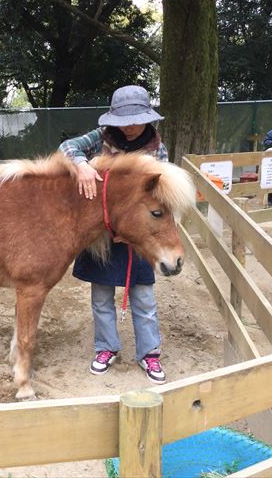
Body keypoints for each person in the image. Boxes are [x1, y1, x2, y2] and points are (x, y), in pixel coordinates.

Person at [58, 85, 168, 385]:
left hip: (139, 235)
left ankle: (149, 353)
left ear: (148, 118)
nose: (131, 126)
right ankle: (106, 348)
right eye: (125, 120)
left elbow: (162, 191)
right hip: (102, 235)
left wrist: (140, 230)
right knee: (102, 296)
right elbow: (67, 147)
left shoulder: (157, 148)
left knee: (143, 296)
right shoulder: (101, 138)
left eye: (137, 118)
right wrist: (80, 165)